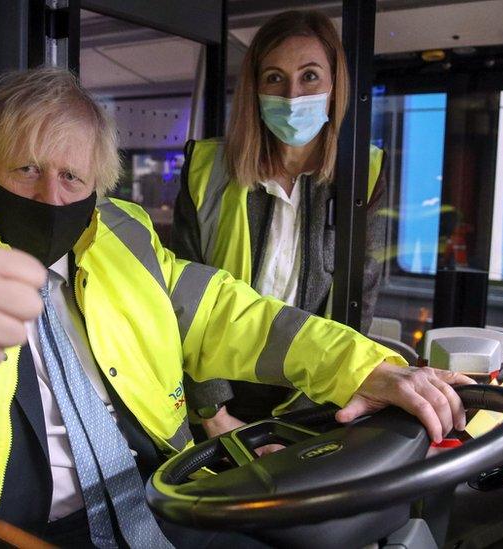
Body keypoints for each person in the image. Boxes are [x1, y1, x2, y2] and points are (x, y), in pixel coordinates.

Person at [0, 68, 469, 548]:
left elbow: (227, 313)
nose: (51, 195)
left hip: (158, 499)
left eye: (73, 177)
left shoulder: (123, 236)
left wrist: (362, 363)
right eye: (27, 168)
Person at [171, 10, 393, 440]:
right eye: (274, 78)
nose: (292, 96)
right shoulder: (205, 169)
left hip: (312, 402)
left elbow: (357, 301)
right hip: (214, 401)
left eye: (309, 76)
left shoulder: (362, 175)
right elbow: (182, 297)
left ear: (334, 86)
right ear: (255, 89)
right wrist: (211, 412)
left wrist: (306, 420)